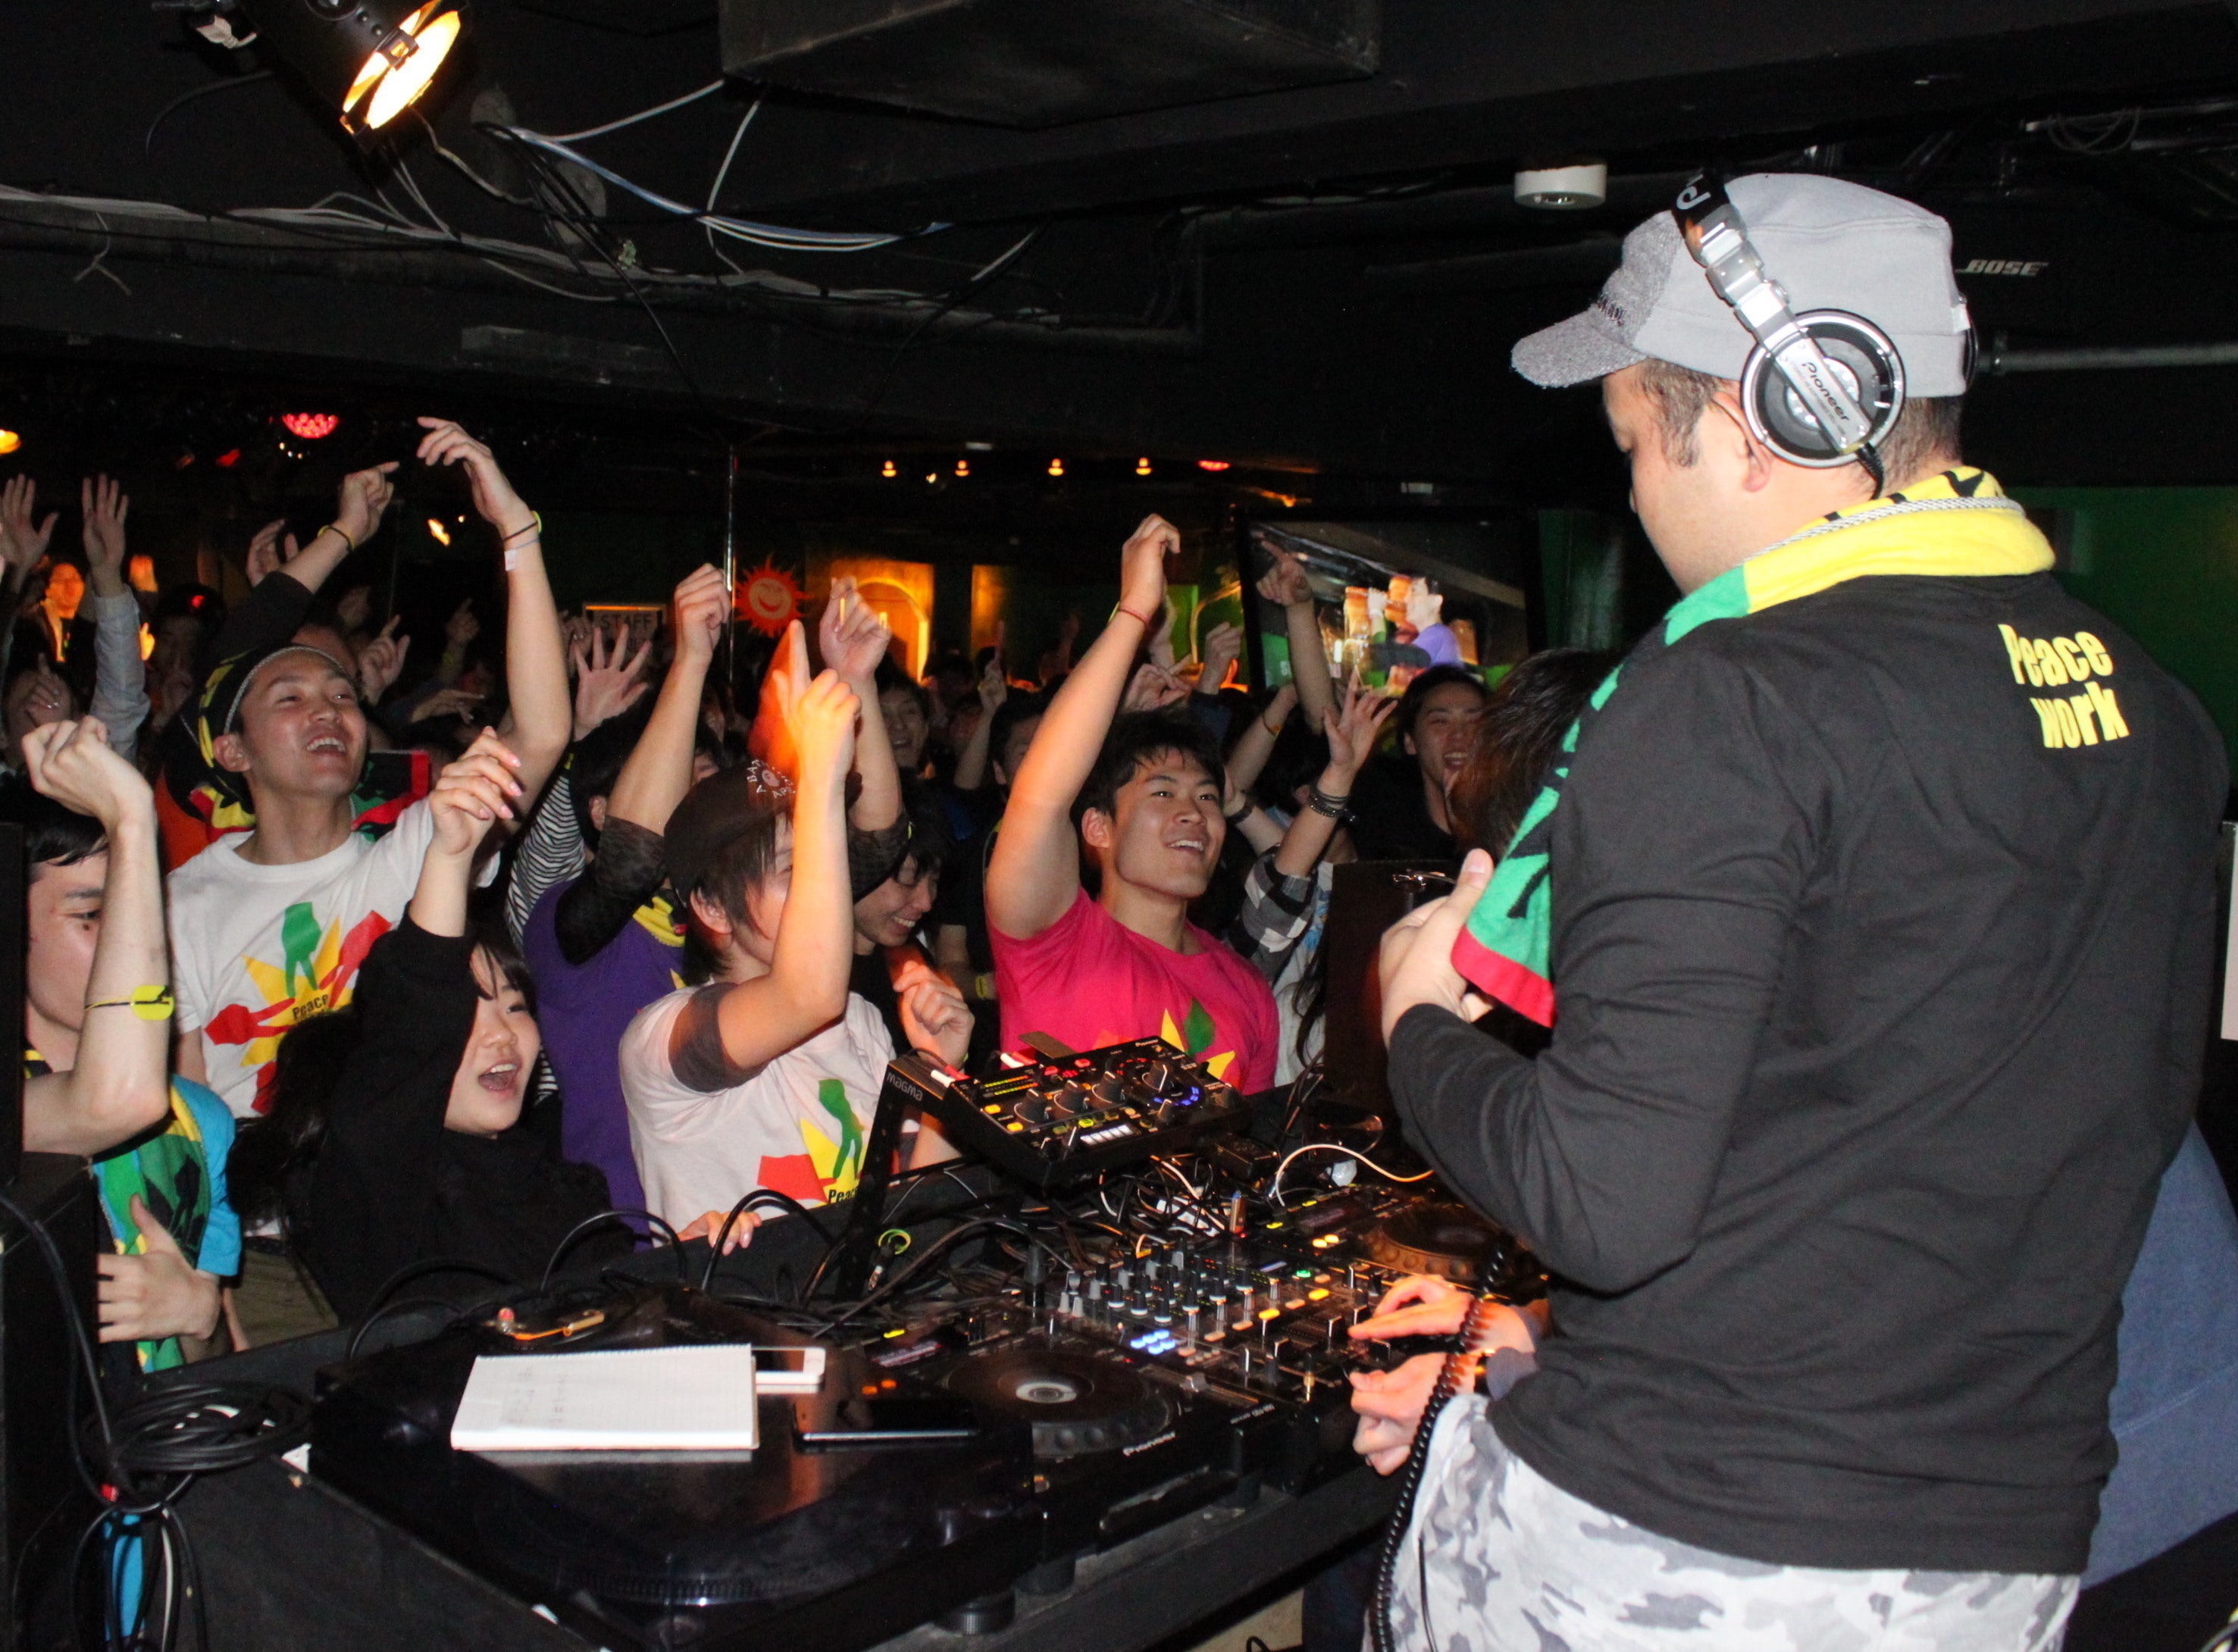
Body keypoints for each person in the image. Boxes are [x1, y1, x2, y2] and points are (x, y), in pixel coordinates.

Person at [1372, 172, 2226, 1648]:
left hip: (1688, 1545)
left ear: (1769, 415)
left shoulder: (1725, 695)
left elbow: (1598, 1202)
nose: (1634, 496)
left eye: (1633, 442)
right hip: (1992, 1563)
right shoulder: (2152, 710)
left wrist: (1416, 1024)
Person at [167, 419, 570, 1123]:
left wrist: (516, 531)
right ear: (233, 751)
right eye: (290, 699)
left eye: (343, 696)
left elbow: (538, 734)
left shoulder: (412, 856)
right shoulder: (181, 905)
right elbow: (188, 1117)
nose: (327, 711)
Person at [255, 731, 630, 1322]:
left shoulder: (568, 1187)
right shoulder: (372, 1186)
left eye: (514, 1007)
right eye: (465, 1015)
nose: (502, 1035)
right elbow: (415, 1014)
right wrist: (450, 858)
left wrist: (689, 1259)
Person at [619, 625, 962, 1228]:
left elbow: (908, 1219)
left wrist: (938, 1069)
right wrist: (820, 787)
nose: (824, 888)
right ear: (712, 907)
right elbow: (806, 995)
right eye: (794, 869)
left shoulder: (860, 1021)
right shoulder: (663, 1037)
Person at [984, 517, 1276, 1089]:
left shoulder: (1246, 987)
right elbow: (1041, 797)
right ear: (1098, 827)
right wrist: (1134, 611)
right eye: (1162, 793)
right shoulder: (1053, 943)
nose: (1194, 813)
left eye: (1207, 796)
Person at [4, 718, 240, 1371]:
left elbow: (219, 1360)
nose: (126, 942)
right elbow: (115, 1101)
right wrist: (133, 819)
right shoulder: (15, 1098)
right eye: (90, 914)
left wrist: (195, 1313)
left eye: (133, 907)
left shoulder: (199, 1119)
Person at [1345, 663, 1487, 864]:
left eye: (1474, 722)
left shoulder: (1516, 825)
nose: (1459, 735)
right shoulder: (1383, 822)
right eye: (1440, 722)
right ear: (1410, 741)